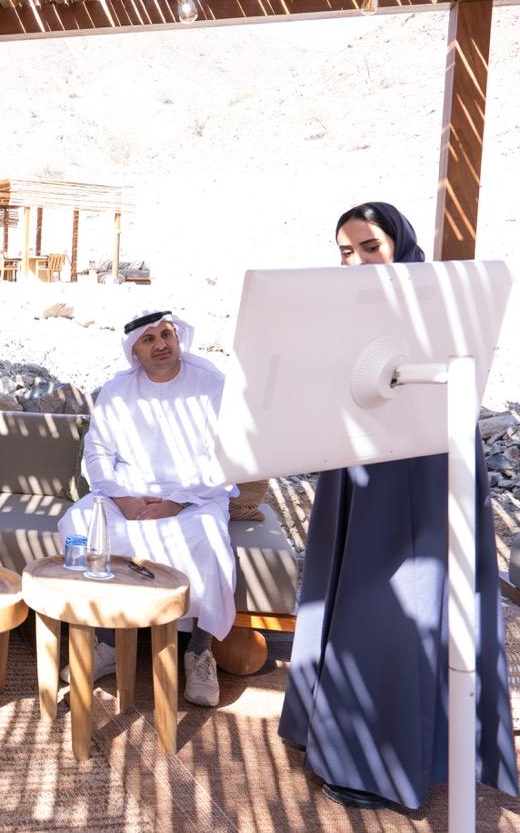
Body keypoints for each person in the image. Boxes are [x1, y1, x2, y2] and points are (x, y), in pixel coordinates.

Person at [279, 202, 518, 810]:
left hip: (426, 463)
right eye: (346, 251)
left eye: (371, 246)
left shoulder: (439, 304)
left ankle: (396, 764)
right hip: (357, 463)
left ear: (400, 244)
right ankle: (340, 744)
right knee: (350, 594)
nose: (358, 260)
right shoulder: (344, 308)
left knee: (409, 602)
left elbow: (459, 377)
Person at [58, 310, 235, 707]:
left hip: (193, 497)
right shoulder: (117, 390)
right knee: (81, 523)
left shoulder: (211, 385)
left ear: (178, 337)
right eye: (149, 339)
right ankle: (107, 642)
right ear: (134, 350)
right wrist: (123, 498)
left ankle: (199, 652)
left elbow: (224, 458)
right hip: (127, 494)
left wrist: (174, 503)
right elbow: (97, 453)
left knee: (208, 539)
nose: (160, 345)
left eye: (166, 335)